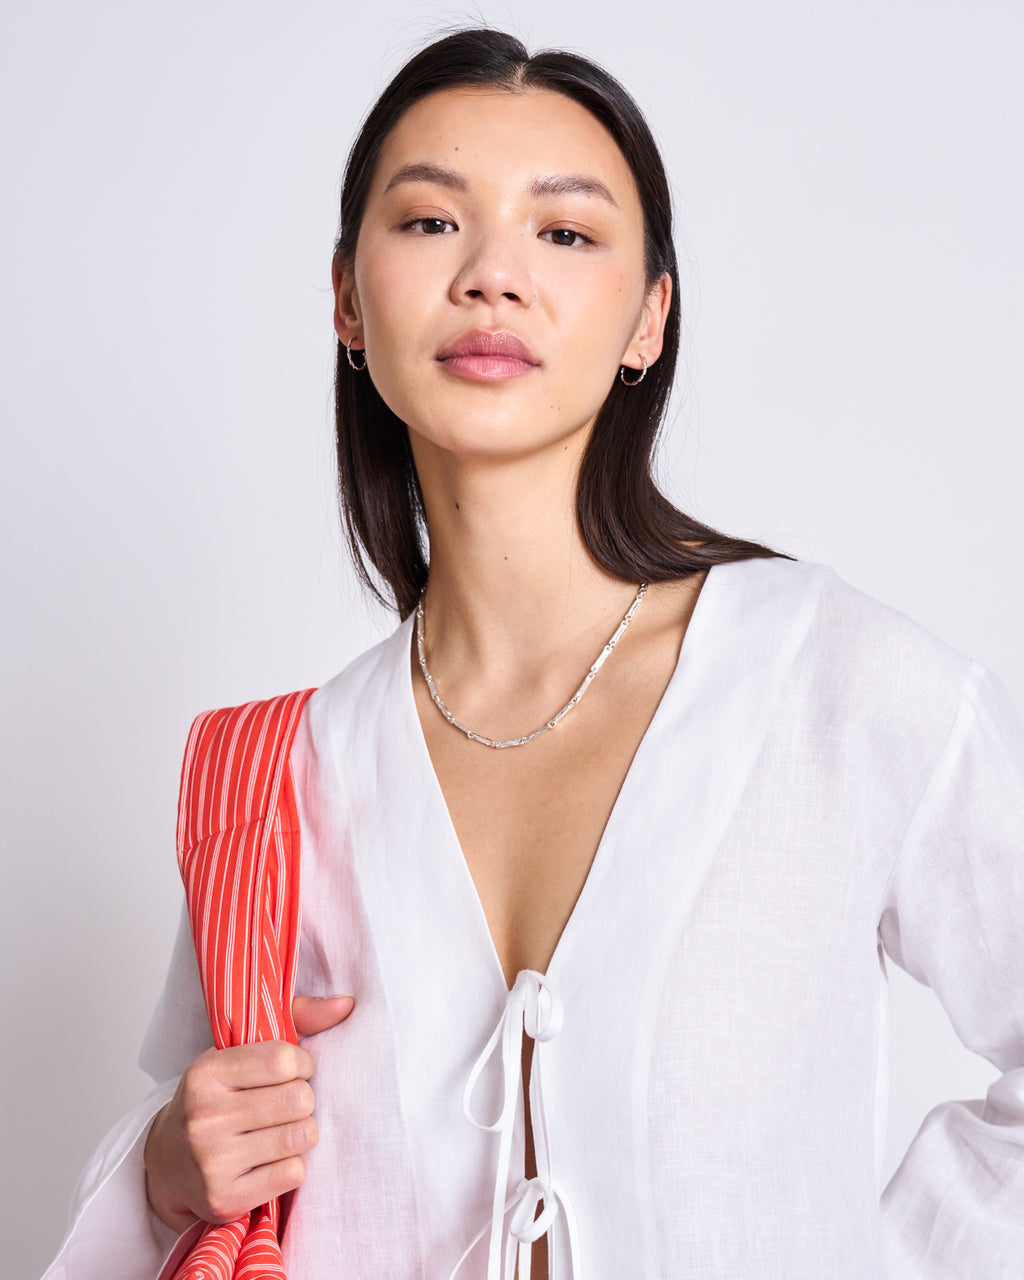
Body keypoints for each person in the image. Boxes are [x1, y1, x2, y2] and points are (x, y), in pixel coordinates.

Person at [43, 27, 1024, 1280]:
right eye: (430, 222)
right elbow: (206, 1195)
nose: (494, 275)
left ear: (647, 318)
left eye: (564, 232)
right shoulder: (271, 778)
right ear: (348, 295)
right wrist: (163, 1169)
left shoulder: (831, 680)